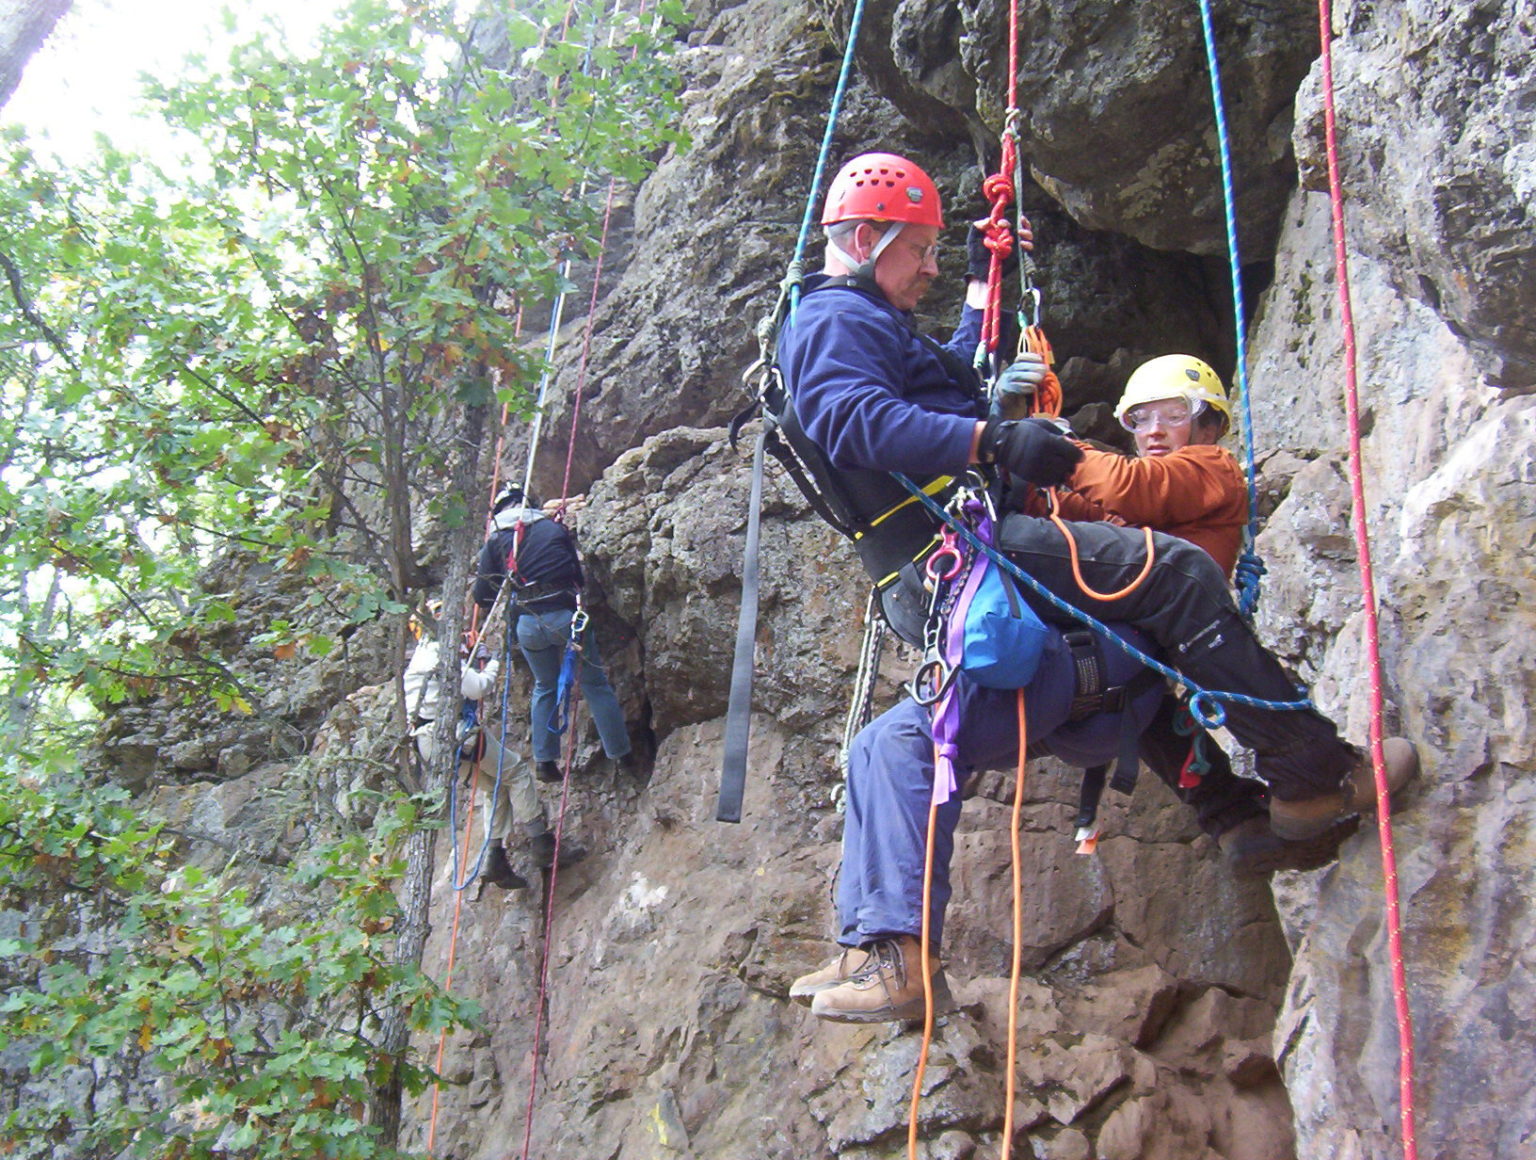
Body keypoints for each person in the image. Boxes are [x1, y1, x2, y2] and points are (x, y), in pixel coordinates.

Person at [778, 151, 1417, 1022]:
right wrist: (994, 445)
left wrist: (982, 282)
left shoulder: (860, 321)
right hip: (966, 546)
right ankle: (1313, 775)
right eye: (919, 250)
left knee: (890, 745)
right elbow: (856, 418)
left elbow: (946, 381)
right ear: (862, 238)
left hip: (960, 573)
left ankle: (889, 952)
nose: (926, 267)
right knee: (1178, 578)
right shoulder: (835, 321)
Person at [472, 484, 638, 782]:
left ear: (499, 512)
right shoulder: (553, 530)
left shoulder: (496, 541)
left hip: (528, 624)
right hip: (565, 617)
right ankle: (622, 755)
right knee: (594, 685)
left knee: (545, 686)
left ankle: (545, 762)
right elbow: (576, 575)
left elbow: (482, 596)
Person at [402, 635, 580, 891]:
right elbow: (477, 688)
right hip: (455, 734)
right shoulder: (442, 653)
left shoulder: (420, 656)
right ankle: (543, 843)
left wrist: (472, 657)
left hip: (428, 744)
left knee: (494, 785)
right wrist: (494, 662)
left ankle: (494, 858)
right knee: (517, 772)